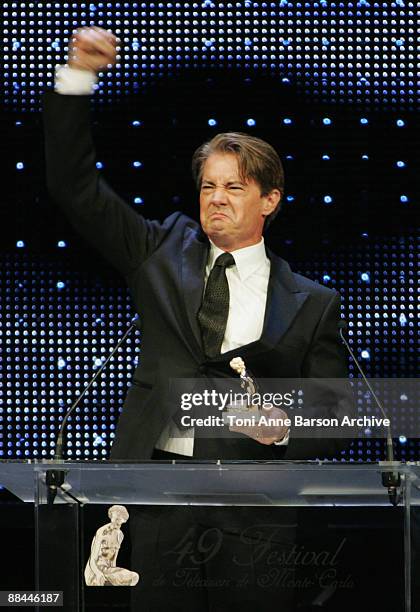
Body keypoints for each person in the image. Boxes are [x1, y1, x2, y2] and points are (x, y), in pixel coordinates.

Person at [43, 25, 349, 463]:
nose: (217, 198)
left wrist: (283, 427)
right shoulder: (158, 250)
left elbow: (336, 416)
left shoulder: (313, 303)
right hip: (147, 493)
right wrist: (77, 77)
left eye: (234, 187)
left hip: (247, 510)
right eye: (208, 187)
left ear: (269, 200)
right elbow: (76, 187)